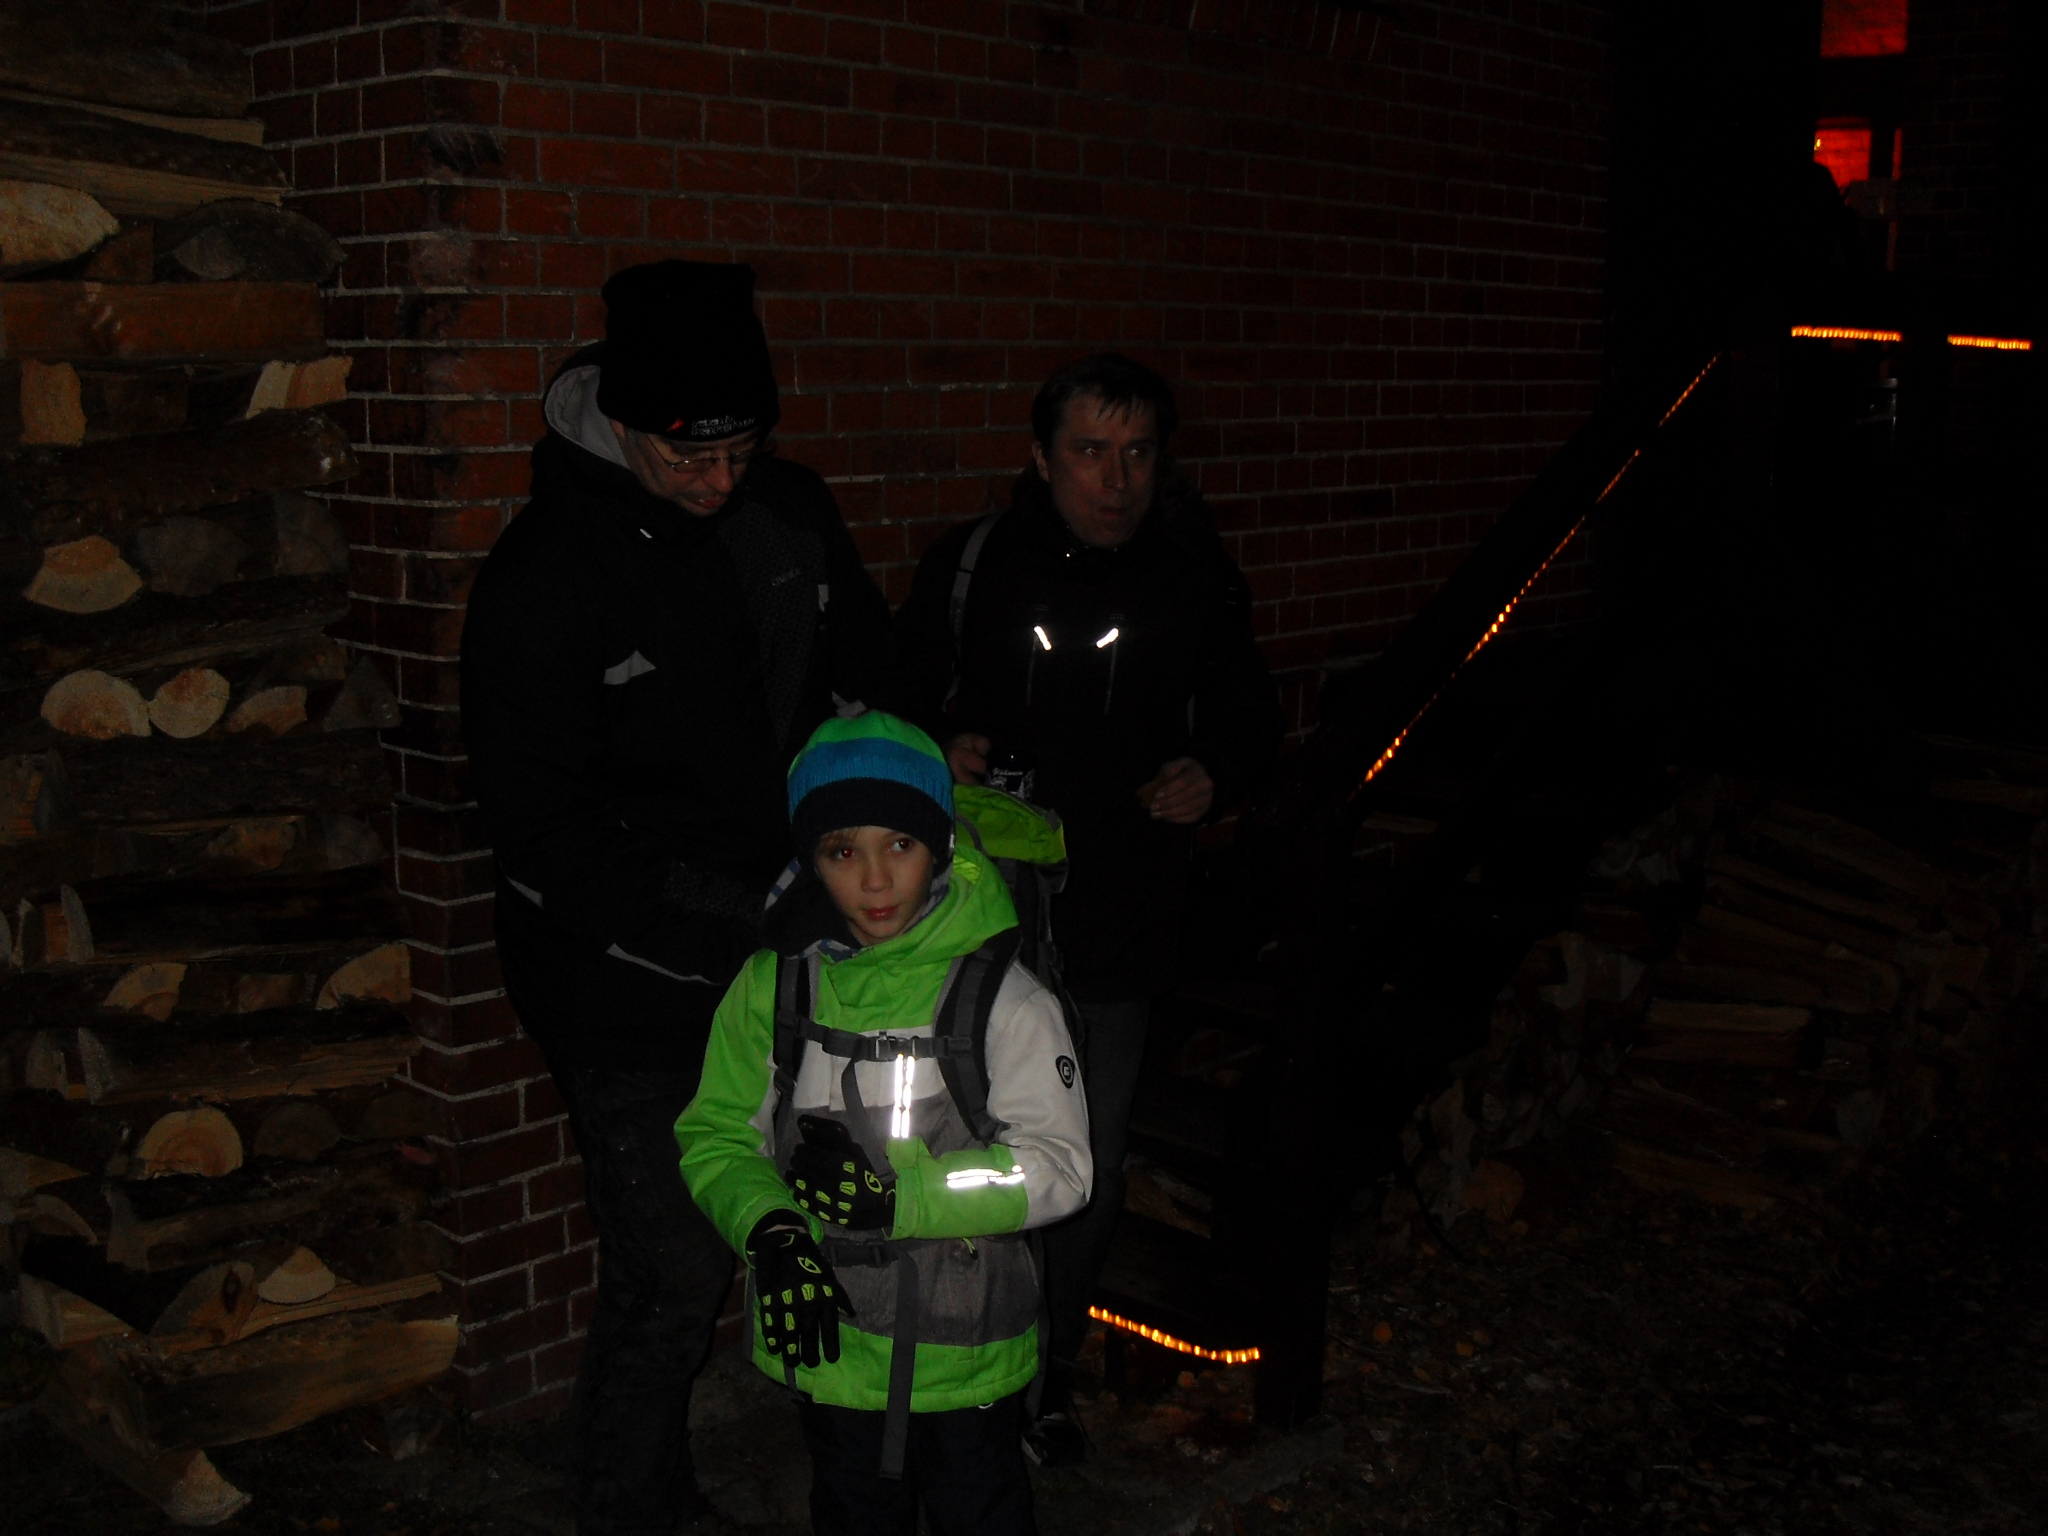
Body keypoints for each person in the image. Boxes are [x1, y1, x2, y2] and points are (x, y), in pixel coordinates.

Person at [460, 260, 896, 1536]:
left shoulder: (788, 515)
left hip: (782, 955)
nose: (716, 481)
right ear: (622, 422)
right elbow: (543, 833)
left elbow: (869, 670)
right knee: (673, 1270)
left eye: (738, 452)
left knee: (784, 1225)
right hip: (623, 984)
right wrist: (738, 914)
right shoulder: (546, 573)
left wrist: (916, 760)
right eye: (685, 456)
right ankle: (625, 1504)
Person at [892, 353, 1283, 1463]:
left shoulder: (1195, 578)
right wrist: (937, 746)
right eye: (1089, 452)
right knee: (960, 1142)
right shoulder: (973, 566)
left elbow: (1249, 713)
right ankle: (951, 1367)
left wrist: (1214, 770)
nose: (1116, 481)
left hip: (1120, 920)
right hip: (978, 921)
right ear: (1040, 457)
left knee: (1088, 1165)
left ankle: (1042, 1380)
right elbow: (893, 691)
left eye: (1137, 453)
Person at [676, 711, 1091, 1536]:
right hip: (831, 1342)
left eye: (899, 844)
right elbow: (718, 1135)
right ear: (810, 861)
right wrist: (771, 1232)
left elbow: (1059, 1167)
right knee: (851, 1510)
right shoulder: (772, 988)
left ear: (938, 845)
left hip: (967, 1351)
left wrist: (907, 1200)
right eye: (842, 852)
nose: (874, 881)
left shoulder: (1003, 1000)